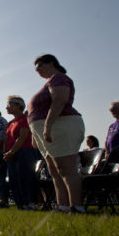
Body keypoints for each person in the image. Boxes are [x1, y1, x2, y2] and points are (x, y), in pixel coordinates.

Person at [28, 54, 85, 214]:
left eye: (39, 66)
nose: (37, 70)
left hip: (61, 125)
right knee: (54, 170)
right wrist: (35, 134)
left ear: (51, 63)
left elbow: (59, 100)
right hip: (47, 129)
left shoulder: (58, 78)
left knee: (66, 168)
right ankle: (63, 206)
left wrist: (47, 125)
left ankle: (77, 206)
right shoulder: (49, 82)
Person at [3, 96, 37, 210]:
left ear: (19, 106)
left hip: (24, 151)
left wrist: (11, 151)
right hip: (12, 154)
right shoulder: (10, 123)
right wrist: (7, 153)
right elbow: (7, 139)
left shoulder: (24, 119)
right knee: (14, 179)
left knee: (25, 177)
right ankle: (20, 204)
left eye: (10, 105)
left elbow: (22, 137)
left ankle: (30, 202)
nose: (7, 107)